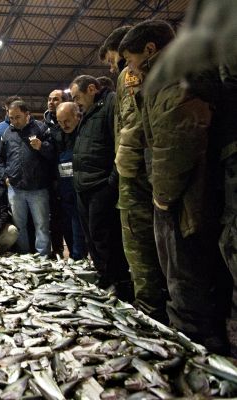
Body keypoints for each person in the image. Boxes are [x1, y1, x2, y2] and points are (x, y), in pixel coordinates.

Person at [119, 19, 229, 354]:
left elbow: (175, 138)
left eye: (131, 60)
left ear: (150, 50)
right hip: (190, 186)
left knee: (184, 268)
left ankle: (195, 347)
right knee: (193, 266)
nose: (128, 69)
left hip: (185, 191)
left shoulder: (171, 74)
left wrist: (163, 197)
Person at [100, 26, 169, 322]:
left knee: (144, 246)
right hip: (147, 169)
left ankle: (154, 313)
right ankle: (154, 307)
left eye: (116, 59)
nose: (115, 65)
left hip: (143, 172)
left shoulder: (132, 74)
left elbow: (133, 124)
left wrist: (123, 163)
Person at [70, 75, 132, 300]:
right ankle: (103, 276)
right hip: (84, 186)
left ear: (92, 89)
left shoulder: (110, 105)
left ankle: (118, 282)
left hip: (100, 185)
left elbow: (119, 142)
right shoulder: (88, 112)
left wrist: (112, 181)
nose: (76, 102)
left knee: (104, 236)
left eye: (77, 96)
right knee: (91, 237)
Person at [0, 100, 55, 257]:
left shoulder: (41, 128)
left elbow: (54, 153)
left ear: (27, 114)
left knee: (41, 224)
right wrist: (5, 177)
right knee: (19, 225)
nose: (14, 121)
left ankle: (43, 256)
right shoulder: (7, 133)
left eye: (18, 117)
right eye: (11, 118)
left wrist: (42, 146)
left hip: (38, 189)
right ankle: (24, 256)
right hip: (15, 189)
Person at [54, 102, 87, 261]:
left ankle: (80, 257)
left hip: (82, 188)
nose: (63, 125)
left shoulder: (85, 133)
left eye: (66, 121)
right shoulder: (58, 135)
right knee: (68, 225)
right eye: (60, 122)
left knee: (80, 226)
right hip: (65, 190)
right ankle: (75, 258)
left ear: (77, 116)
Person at [44, 89, 68, 258]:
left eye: (56, 99)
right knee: (54, 217)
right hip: (51, 178)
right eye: (50, 99)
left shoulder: (72, 122)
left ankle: (77, 252)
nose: (51, 102)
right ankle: (57, 250)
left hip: (69, 177)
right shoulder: (44, 126)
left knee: (71, 216)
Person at [0, 95, 22, 193]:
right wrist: (3, 178)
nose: (11, 113)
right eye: (8, 110)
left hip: (27, 184)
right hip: (6, 183)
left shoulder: (30, 128)